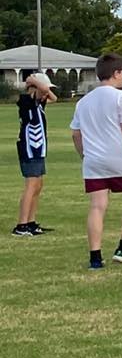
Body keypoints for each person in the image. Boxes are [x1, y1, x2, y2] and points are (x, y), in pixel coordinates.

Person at [70, 53, 122, 269]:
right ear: (116, 73)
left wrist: (85, 154)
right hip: (119, 159)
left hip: (93, 162)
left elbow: (76, 134)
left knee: (97, 206)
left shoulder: (83, 101)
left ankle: (95, 257)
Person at [14, 71, 54, 237]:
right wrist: (34, 81)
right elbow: (42, 90)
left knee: (38, 185)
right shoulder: (26, 101)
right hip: (29, 149)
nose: (46, 93)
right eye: (42, 90)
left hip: (38, 149)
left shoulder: (39, 103)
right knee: (31, 186)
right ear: (33, 88)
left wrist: (42, 87)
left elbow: (53, 98)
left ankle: (30, 221)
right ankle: (21, 224)